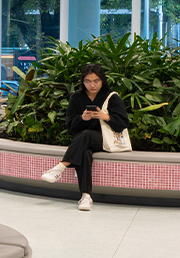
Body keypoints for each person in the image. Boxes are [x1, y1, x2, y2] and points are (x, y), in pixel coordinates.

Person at [39, 63, 129, 211]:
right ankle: (86, 196)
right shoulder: (76, 98)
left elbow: (123, 123)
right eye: (88, 81)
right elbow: (70, 126)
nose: (92, 85)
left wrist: (105, 116)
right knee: (85, 153)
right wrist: (82, 118)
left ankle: (60, 167)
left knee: (86, 135)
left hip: (106, 140)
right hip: (82, 142)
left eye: (96, 81)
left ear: (102, 80)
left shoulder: (111, 97)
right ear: (83, 81)